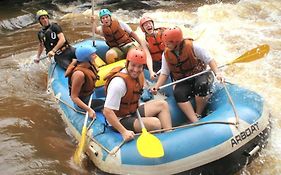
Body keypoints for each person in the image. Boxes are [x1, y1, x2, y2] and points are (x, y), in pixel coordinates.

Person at [151, 26, 224, 123]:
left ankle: (198, 113)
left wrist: (218, 73)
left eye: (167, 43)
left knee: (201, 85)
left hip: (200, 75)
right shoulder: (166, 54)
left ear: (175, 42)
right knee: (178, 93)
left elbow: (210, 60)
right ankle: (194, 120)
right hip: (184, 80)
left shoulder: (193, 46)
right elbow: (165, 73)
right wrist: (157, 86)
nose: (165, 45)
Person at [103, 47, 172, 142]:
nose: (136, 70)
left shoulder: (139, 74)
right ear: (127, 63)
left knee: (162, 104)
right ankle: (160, 143)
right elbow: (107, 111)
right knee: (155, 123)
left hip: (132, 111)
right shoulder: (118, 83)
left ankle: (170, 136)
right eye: (133, 65)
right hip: (120, 118)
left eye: (139, 66)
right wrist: (124, 132)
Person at [91, 9, 155, 78]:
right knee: (109, 55)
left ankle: (139, 74)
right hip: (116, 48)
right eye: (103, 18)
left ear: (110, 17)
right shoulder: (102, 29)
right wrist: (93, 22)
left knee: (135, 54)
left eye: (107, 17)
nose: (105, 19)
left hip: (128, 45)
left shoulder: (120, 23)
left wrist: (141, 44)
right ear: (101, 20)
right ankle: (117, 73)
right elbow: (95, 31)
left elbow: (132, 34)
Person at [65, 45, 99, 119]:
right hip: (83, 101)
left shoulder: (89, 65)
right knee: (106, 104)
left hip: (90, 93)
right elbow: (74, 97)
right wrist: (89, 110)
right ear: (87, 58)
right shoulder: (79, 74)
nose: (96, 56)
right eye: (93, 55)